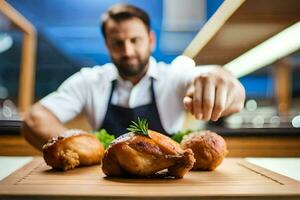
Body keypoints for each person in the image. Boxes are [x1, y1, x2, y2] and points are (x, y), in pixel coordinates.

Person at [22, 4, 245, 151]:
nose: (127, 51)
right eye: (118, 43)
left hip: (168, 182)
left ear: (150, 40)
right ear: (107, 45)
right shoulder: (89, 81)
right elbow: (35, 118)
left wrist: (222, 78)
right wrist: (77, 149)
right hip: (104, 183)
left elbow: (231, 94)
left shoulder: (174, 77)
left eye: (135, 40)